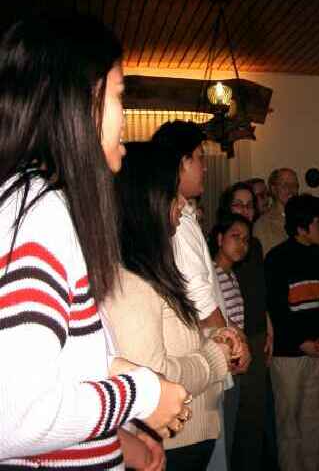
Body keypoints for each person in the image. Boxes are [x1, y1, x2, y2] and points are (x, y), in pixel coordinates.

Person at [0, 16, 187, 469]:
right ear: (78, 102)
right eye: (120, 95)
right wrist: (141, 396)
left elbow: (65, 366)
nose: (126, 117)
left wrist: (122, 435)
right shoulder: (38, 215)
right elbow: (13, 416)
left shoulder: (39, 204)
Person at [105, 142, 234, 470]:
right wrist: (215, 357)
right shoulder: (131, 278)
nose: (181, 203)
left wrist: (215, 340)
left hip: (186, 437)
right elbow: (151, 377)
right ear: (146, 199)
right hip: (167, 444)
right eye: (172, 193)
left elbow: (181, 340)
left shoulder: (156, 268)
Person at [152, 121, 250, 471]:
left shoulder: (183, 215)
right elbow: (200, 298)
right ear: (180, 163)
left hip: (203, 355)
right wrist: (233, 341)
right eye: (198, 158)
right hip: (198, 361)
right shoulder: (176, 220)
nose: (204, 167)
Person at [265, 194, 319, 471]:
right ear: (302, 227)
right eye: (318, 223)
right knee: (289, 423)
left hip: (317, 351)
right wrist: (300, 342)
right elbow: (276, 309)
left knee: (315, 421)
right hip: (288, 355)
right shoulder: (277, 258)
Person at [216, 182, 271, 471]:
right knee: (229, 417)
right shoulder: (215, 265)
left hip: (254, 333)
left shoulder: (252, 249)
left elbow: (261, 292)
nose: (245, 209)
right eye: (238, 204)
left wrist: (268, 327)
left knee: (252, 411)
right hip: (230, 344)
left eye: (250, 205)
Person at [208, 213, 253, 468]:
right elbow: (217, 319)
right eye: (235, 237)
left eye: (246, 240)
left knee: (231, 428)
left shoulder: (231, 275)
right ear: (219, 238)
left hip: (234, 361)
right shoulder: (210, 274)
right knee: (220, 433)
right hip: (221, 361)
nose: (241, 244)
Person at [254, 168, 299, 256]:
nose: (291, 189)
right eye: (285, 185)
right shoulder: (263, 224)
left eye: (295, 185)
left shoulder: (303, 219)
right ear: (274, 189)